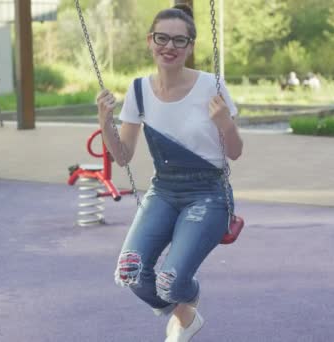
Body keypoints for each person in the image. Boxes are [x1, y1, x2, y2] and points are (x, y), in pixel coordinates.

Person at [96, 4, 243, 342]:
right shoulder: (138, 91)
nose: (170, 47)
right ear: (150, 40)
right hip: (163, 191)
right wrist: (105, 123)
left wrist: (224, 124)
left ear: (190, 47)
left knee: (170, 281)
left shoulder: (212, 87)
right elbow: (123, 157)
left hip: (208, 193)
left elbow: (234, 152)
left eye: (180, 41)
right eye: (162, 38)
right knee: (130, 272)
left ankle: (182, 295)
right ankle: (185, 315)